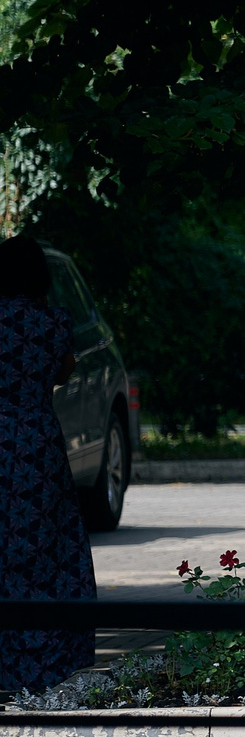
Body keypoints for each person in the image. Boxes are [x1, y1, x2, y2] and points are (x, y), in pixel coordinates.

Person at [0, 235, 94, 697]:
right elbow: (64, 371)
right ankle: (46, 658)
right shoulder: (52, 322)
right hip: (36, 444)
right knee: (45, 546)